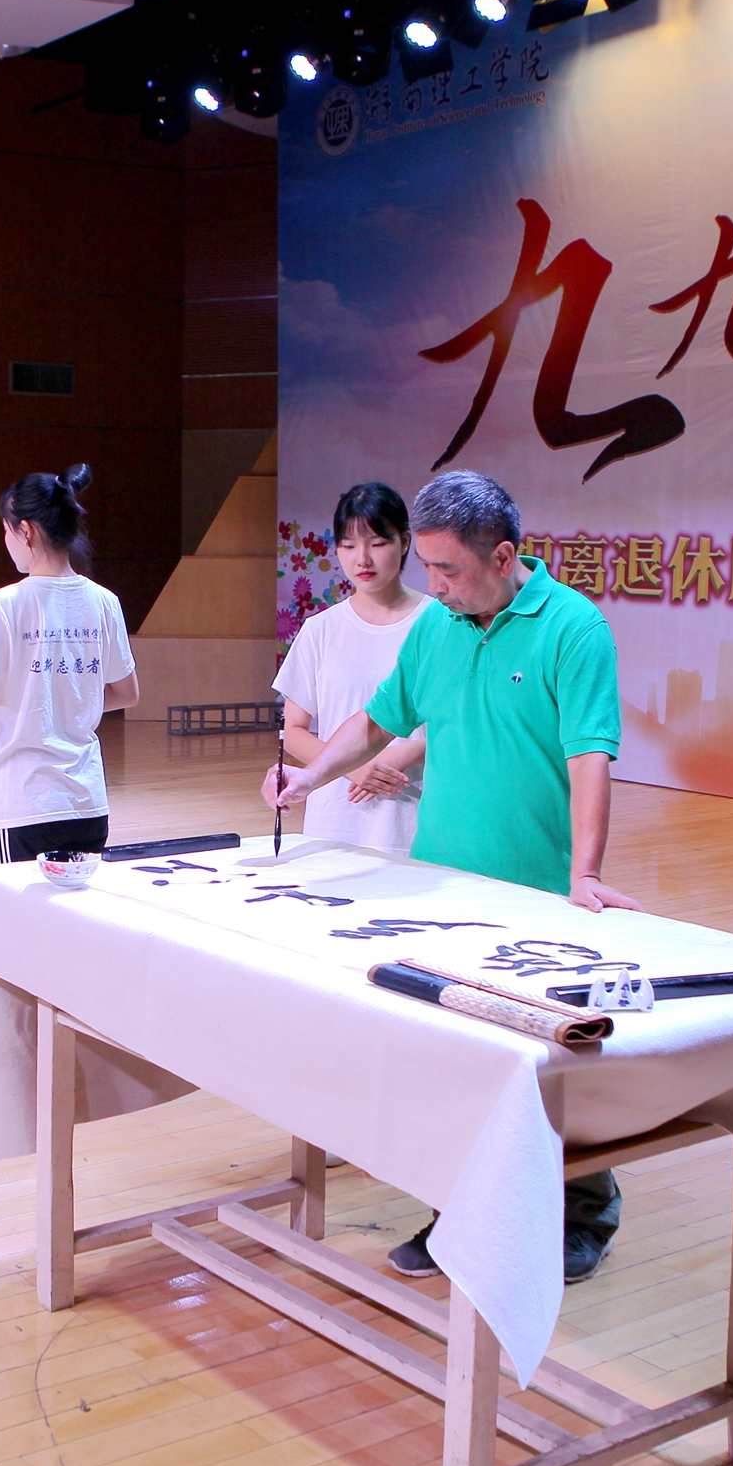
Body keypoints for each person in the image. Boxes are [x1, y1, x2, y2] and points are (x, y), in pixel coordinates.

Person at [267, 470, 639, 1284]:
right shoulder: (438, 626)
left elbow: (590, 755)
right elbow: (378, 719)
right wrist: (312, 775)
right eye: (428, 567)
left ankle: (585, 1209)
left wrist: (584, 872)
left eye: (447, 569)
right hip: (443, 885)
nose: (432, 585)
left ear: (502, 557)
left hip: (536, 890)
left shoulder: (574, 629)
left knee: (548, 1061)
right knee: (453, 1060)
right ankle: (461, 1209)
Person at [0, 464, 138, 862]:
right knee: (79, 901)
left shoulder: (3, 606)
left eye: (6, 530)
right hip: (87, 801)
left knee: (21, 903)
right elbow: (126, 694)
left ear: (25, 531)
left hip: (24, 802)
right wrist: (66, 702)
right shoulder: (104, 601)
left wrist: (7, 705)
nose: (6, 541)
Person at [273, 483, 431, 854]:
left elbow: (465, 727)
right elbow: (293, 732)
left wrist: (408, 752)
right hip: (335, 820)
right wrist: (351, 765)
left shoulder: (439, 623)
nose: (362, 559)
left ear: (405, 542)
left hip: (415, 819)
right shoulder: (320, 630)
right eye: (348, 545)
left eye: (377, 543)